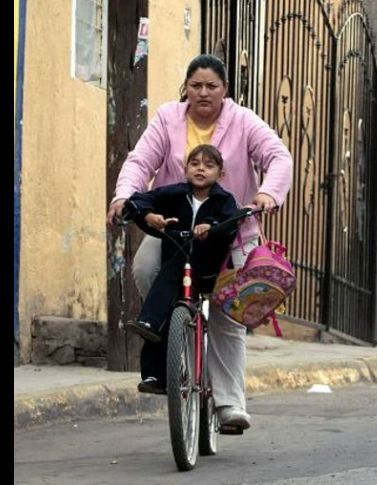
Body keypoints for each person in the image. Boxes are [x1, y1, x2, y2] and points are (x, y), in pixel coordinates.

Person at [107, 54, 293, 431]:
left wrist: (268, 194)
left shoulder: (243, 121)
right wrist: (123, 196)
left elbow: (278, 156)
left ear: (225, 90)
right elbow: (140, 162)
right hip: (177, 233)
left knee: (227, 314)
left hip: (231, 233)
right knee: (146, 270)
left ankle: (229, 404)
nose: (203, 93)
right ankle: (178, 338)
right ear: (186, 89)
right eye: (196, 86)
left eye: (211, 86)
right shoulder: (167, 118)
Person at [124, 144, 239, 396]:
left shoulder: (224, 200)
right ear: (184, 168)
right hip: (176, 275)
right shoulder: (174, 194)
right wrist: (149, 215)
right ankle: (156, 376)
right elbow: (138, 200)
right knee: (168, 310)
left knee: (170, 274)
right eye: (195, 163)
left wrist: (211, 226)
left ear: (220, 173)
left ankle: (149, 320)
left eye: (209, 165)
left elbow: (233, 222)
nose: (201, 169)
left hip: (207, 273)